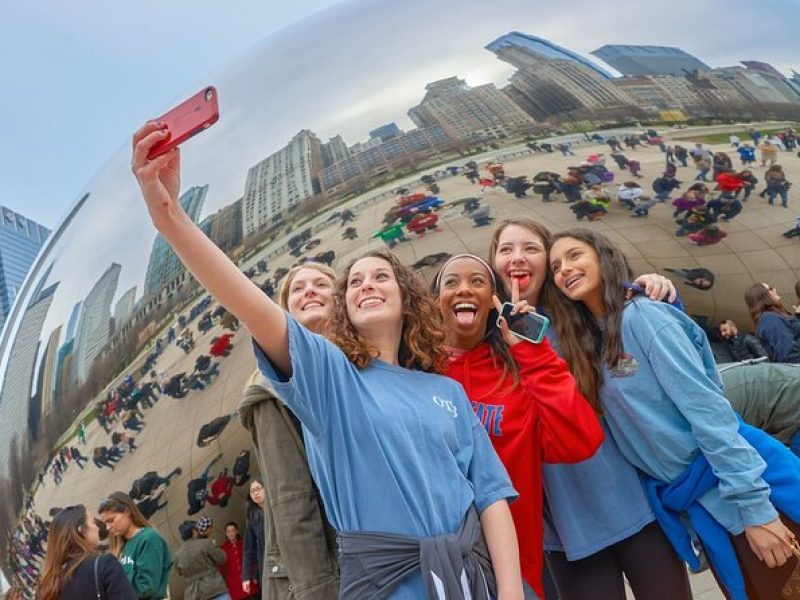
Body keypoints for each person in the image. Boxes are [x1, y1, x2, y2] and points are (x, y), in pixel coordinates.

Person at [133, 121, 522, 599]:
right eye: (354, 282)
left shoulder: (446, 391)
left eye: (381, 276)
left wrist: (510, 593)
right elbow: (247, 300)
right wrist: (169, 216)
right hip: (388, 586)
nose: (366, 285)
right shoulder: (329, 379)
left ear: (406, 296)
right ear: (343, 308)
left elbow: (491, 498)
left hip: (476, 578)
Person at [548, 228, 800, 600]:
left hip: (745, 492)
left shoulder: (644, 318)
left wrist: (756, 510)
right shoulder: (597, 343)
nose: (564, 268)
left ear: (603, 256)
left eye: (574, 255)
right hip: (707, 506)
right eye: (555, 266)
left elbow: (709, 414)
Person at [488, 219, 689, 600]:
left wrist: (656, 290)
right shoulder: (487, 337)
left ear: (547, 263)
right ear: (492, 262)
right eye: (506, 249)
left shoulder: (577, 314)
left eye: (530, 248)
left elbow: (638, 334)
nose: (518, 257)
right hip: (564, 532)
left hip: (634, 504)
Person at [432, 253, 604, 598]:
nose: (464, 289)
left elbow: (579, 441)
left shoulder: (516, 369)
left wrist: (534, 353)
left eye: (477, 282)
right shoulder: (415, 371)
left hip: (517, 569)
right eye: (451, 282)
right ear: (435, 301)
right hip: (437, 567)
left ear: (493, 302)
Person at [238, 263, 340, 599]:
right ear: (284, 312)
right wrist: (319, 592)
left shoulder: (363, 364)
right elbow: (291, 502)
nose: (309, 290)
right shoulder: (271, 390)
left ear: (339, 299)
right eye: (298, 288)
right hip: (329, 568)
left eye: (321, 283)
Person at [38, 505, 137, 600]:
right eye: (93, 522)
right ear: (82, 530)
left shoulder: (46, 589)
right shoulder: (104, 565)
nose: (97, 527)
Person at [98, 492, 173, 600]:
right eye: (106, 524)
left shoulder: (149, 538)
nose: (108, 527)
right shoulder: (121, 547)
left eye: (111, 520)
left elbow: (147, 587)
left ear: (127, 511)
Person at [174, 516, 230, 600]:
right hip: (214, 588)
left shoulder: (177, 554)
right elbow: (222, 559)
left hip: (193, 594)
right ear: (193, 531)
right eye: (197, 529)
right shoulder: (206, 543)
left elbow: (179, 572)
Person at [745, 283, 800, 363]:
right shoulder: (770, 319)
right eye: (770, 289)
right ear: (762, 296)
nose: (774, 290)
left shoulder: (771, 317)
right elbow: (787, 353)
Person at [220, 522, 259, 600]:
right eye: (228, 531)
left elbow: (254, 560)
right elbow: (221, 569)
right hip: (234, 586)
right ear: (226, 533)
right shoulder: (222, 549)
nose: (231, 533)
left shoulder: (245, 544)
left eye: (233, 530)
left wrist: (255, 575)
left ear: (236, 531)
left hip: (250, 581)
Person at [242, 480, 265, 597]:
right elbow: (248, 549)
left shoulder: (276, 508)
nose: (256, 493)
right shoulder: (252, 516)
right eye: (252, 491)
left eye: (258, 489)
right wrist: (246, 577)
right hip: (267, 561)